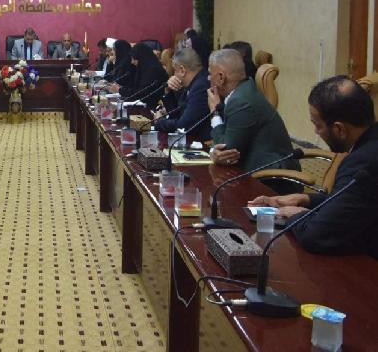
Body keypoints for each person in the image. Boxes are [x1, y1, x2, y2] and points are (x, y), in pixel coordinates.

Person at [249, 76, 378, 258]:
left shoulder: (362, 164)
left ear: (339, 129)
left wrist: (294, 214)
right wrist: (305, 199)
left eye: (318, 125)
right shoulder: (370, 146)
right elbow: (352, 201)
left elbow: (316, 236)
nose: (316, 132)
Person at [207, 49, 300, 188]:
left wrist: (214, 112)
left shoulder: (240, 101)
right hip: (255, 171)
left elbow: (226, 152)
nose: (208, 78)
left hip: (273, 180)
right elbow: (225, 145)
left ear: (221, 77)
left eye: (210, 74)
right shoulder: (243, 90)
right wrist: (214, 152)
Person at [153, 47, 211, 141]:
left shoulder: (200, 86)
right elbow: (177, 115)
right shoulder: (193, 83)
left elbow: (183, 126)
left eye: (175, 71)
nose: (174, 75)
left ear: (182, 70)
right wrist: (168, 91)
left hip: (201, 143)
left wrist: (159, 121)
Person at [126, 42, 168, 109]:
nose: (132, 62)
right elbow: (135, 88)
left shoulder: (153, 70)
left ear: (141, 57)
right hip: (143, 105)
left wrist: (121, 91)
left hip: (154, 108)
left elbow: (142, 93)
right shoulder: (143, 68)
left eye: (134, 58)